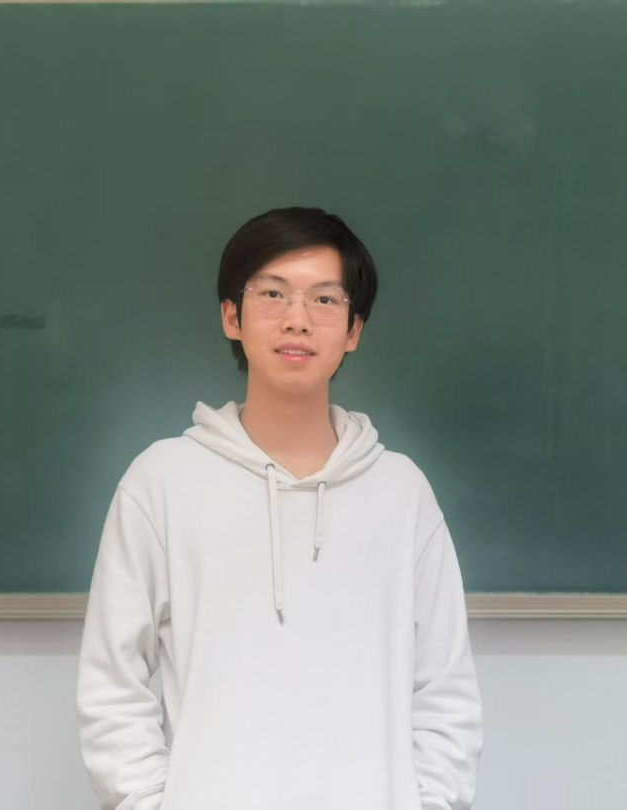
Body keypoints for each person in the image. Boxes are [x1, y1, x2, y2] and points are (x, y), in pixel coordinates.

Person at [76, 206, 482, 810]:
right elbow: (112, 683)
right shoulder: (161, 482)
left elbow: (445, 690)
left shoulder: (401, 492)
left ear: (353, 329)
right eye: (272, 294)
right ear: (231, 316)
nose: (298, 319)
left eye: (325, 300)